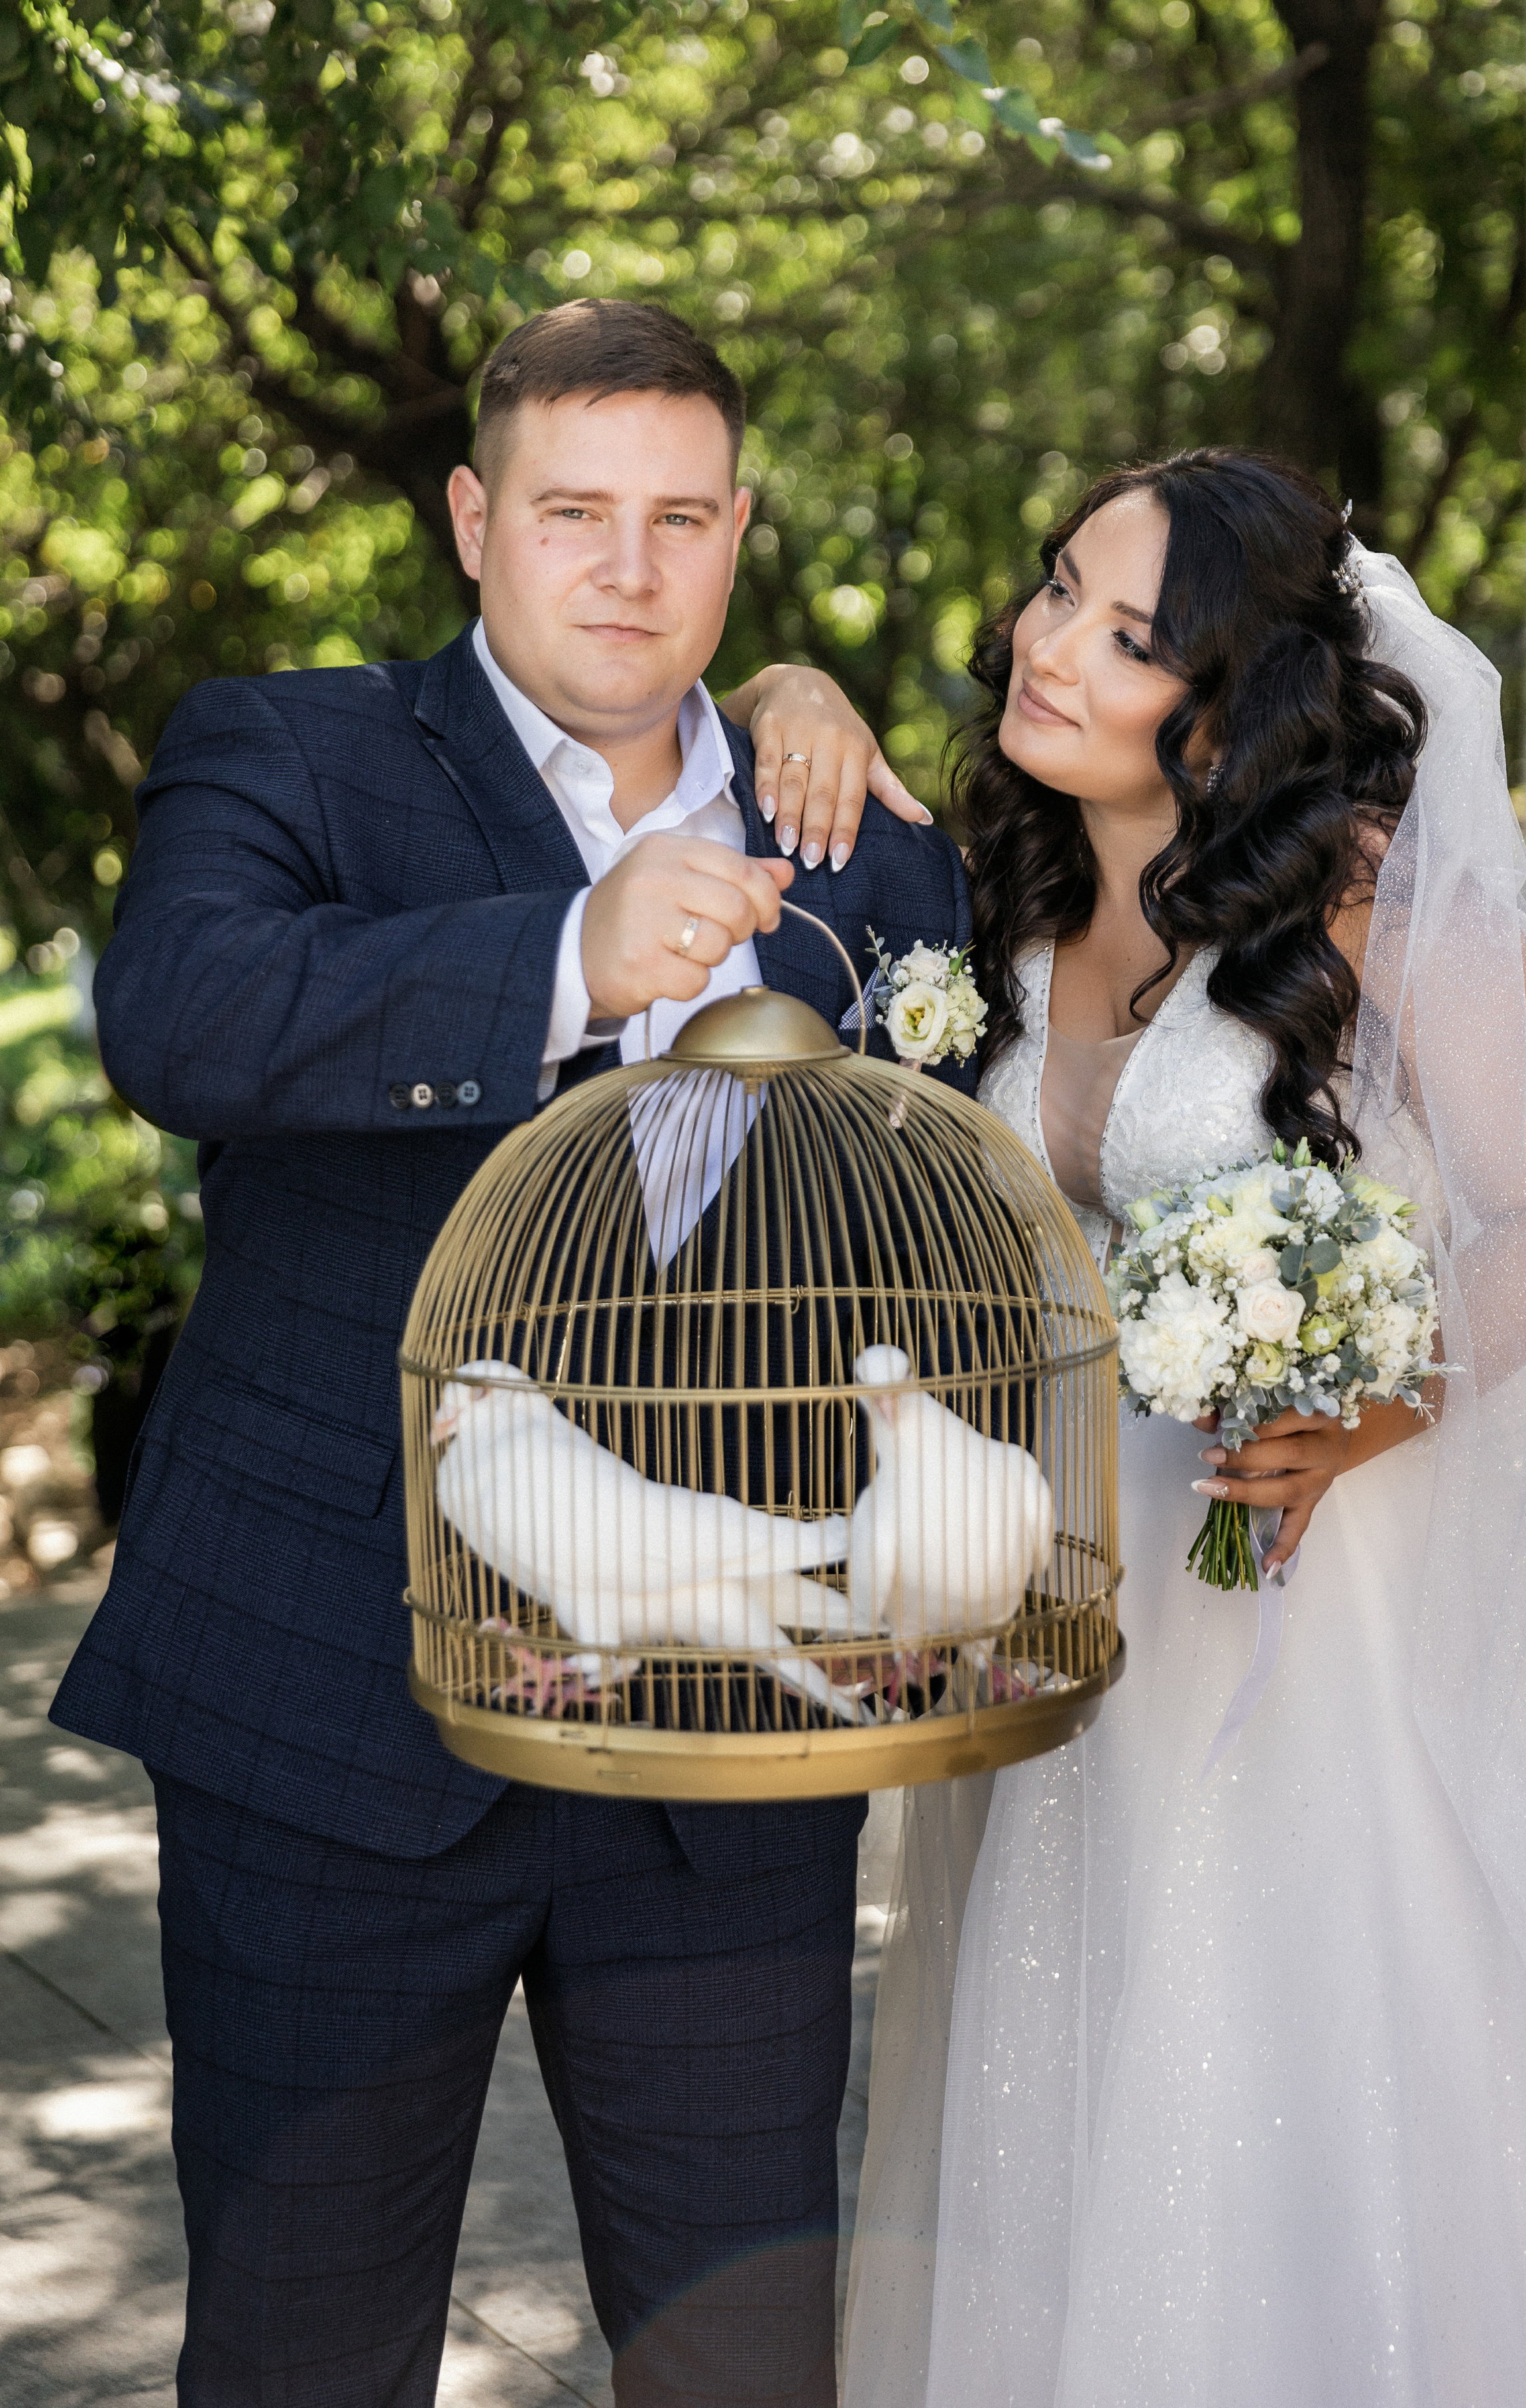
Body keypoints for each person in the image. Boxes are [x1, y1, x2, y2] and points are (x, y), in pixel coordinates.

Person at [49, 296, 971, 2408]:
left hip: (733, 1737)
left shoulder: (866, 837)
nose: (627, 569)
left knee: (746, 2366)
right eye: (573, 512)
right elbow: (181, 1020)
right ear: (476, 519)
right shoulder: (290, 748)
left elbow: (974, 1181)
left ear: (741, 536)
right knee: (302, 2357)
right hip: (333, 1701)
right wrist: (564, 952)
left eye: (677, 519)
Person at [768, 451, 1526, 2405]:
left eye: (1126, 637)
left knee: (1323, 2051)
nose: (1049, 648)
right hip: (1080, 1595)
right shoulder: (991, 895)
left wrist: (1381, 1405)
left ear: (1230, 701)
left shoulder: (1356, 898)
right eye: (1053, 592)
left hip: (1341, 1595)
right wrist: (791, 689)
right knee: (1075, 2063)